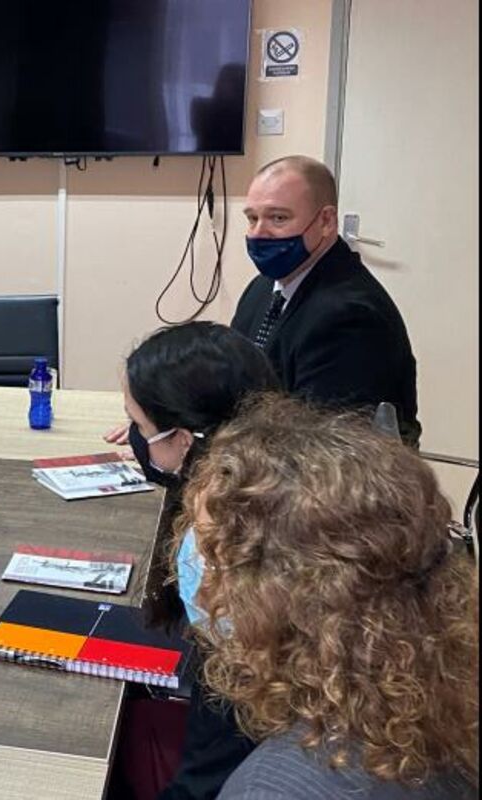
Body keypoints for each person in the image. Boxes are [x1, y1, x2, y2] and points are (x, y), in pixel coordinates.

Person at [180, 395, 477, 798]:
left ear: (280, 596)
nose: (199, 582)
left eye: (212, 558)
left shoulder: (274, 789)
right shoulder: (442, 686)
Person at [112, 321, 280, 800]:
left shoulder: (224, 547)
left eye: (140, 426)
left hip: (242, 731)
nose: (134, 438)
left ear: (184, 440)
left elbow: (215, 764)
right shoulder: (267, 479)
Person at [231, 155, 420, 445]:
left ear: (326, 221)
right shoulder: (262, 288)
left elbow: (320, 447)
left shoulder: (350, 316)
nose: (259, 233)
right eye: (252, 218)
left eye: (278, 218)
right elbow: (233, 382)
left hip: (323, 467)